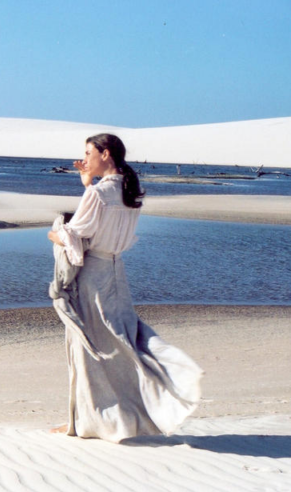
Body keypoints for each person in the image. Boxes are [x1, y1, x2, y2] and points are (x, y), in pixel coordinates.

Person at [47, 134, 202, 441]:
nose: (85, 157)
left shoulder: (99, 193)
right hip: (116, 273)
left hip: (92, 276)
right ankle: (125, 412)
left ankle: (91, 422)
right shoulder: (129, 191)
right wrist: (86, 181)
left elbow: (76, 238)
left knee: (89, 346)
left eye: (89, 152)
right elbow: (101, 223)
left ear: (106, 154)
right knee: (122, 340)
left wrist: (56, 234)